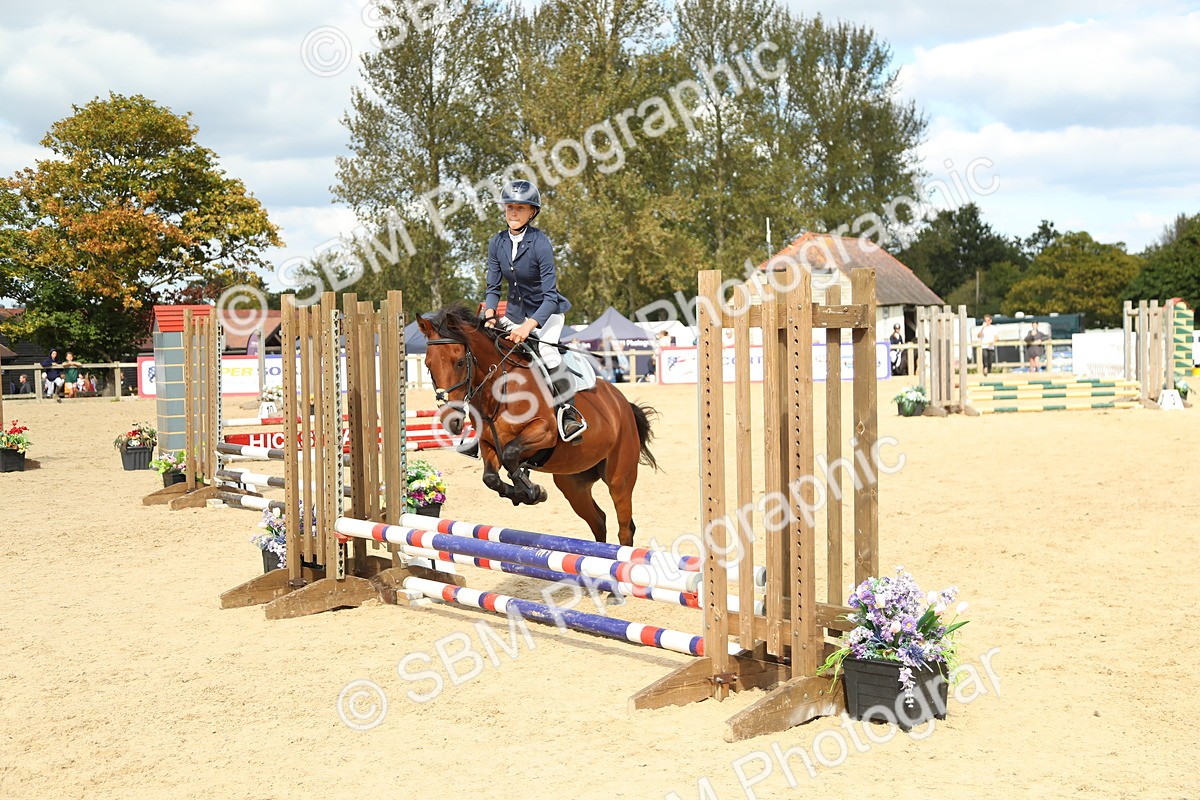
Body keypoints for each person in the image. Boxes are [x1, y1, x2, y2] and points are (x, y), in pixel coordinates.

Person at [482, 179, 586, 443]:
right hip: (514, 314)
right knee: (489, 349)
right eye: (510, 207)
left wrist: (528, 327)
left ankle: (568, 412)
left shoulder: (540, 243)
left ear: (532, 212)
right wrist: (490, 314)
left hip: (546, 313)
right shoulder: (497, 242)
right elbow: (493, 288)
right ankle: (485, 417)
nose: (513, 212)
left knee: (548, 353)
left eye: (520, 208)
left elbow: (550, 297)